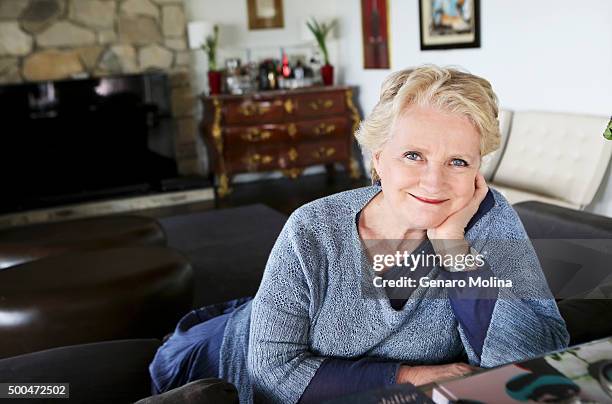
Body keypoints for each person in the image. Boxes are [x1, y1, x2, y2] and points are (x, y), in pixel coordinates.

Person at [149, 65, 569, 404]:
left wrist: (453, 248)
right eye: (413, 155)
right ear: (378, 157)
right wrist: (410, 376)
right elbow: (273, 376)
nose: (434, 183)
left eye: (458, 162)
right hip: (221, 359)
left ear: (478, 167)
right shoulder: (312, 228)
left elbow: (529, 362)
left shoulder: (488, 219)